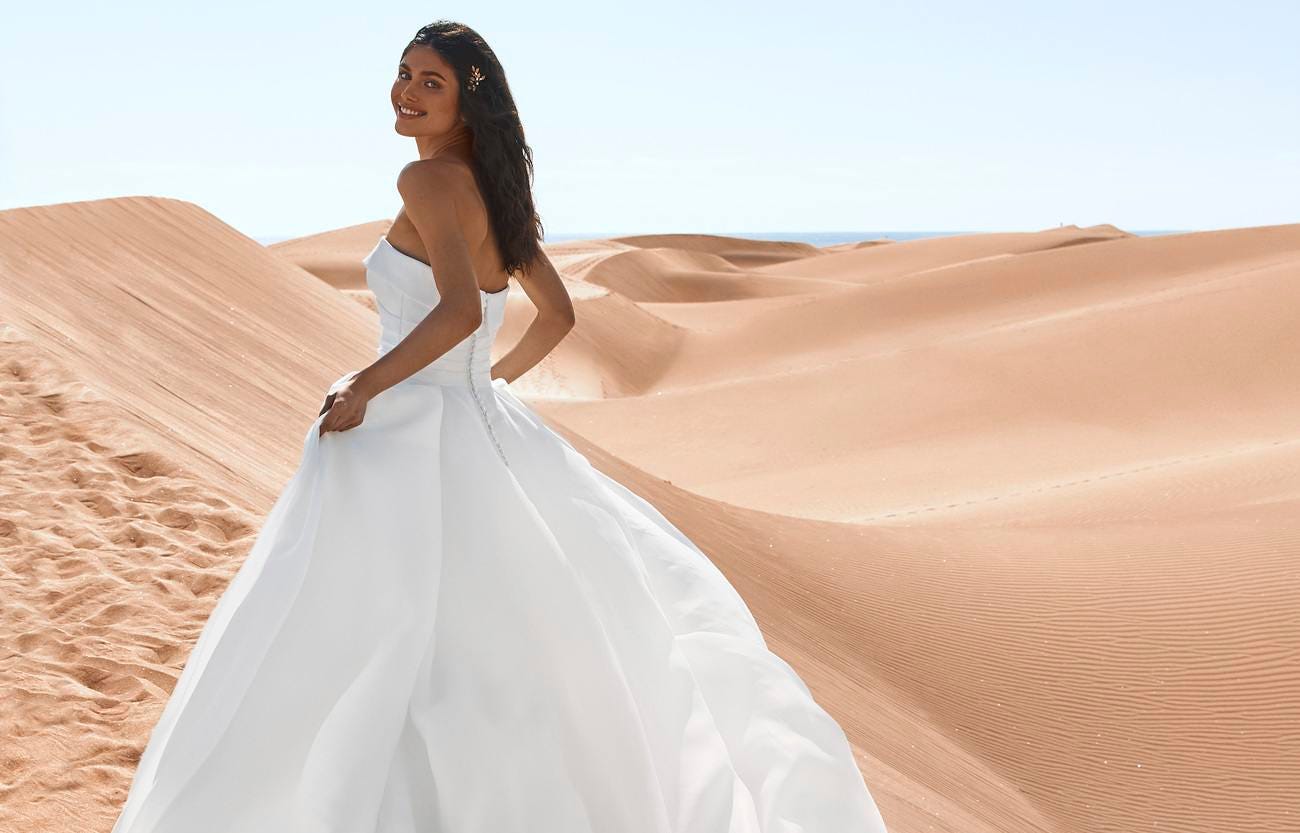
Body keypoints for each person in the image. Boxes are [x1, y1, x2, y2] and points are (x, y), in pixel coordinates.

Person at [110, 20, 888, 833]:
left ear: (468, 101)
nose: (406, 93)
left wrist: (365, 385)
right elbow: (556, 315)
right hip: (480, 423)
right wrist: (488, 387)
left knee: (369, 624)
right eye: (404, 74)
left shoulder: (430, 185)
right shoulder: (496, 192)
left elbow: (453, 311)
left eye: (430, 83)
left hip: (411, 421)